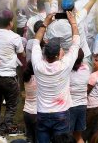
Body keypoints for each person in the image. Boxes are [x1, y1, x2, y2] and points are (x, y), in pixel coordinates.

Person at [32, 11, 81, 143]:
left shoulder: (37, 65)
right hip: (61, 114)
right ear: (58, 54)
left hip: (42, 113)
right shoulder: (64, 65)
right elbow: (76, 43)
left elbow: (36, 41)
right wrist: (73, 23)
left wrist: (45, 23)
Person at [0, 9, 25, 138]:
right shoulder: (14, 37)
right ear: (10, 23)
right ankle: (4, 129)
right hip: (9, 77)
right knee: (12, 105)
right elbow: (21, 53)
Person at [69, 49, 90, 143]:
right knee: (78, 136)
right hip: (83, 105)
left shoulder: (67, 70)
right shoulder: (86, 68)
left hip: (70, 106)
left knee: (68, 136)